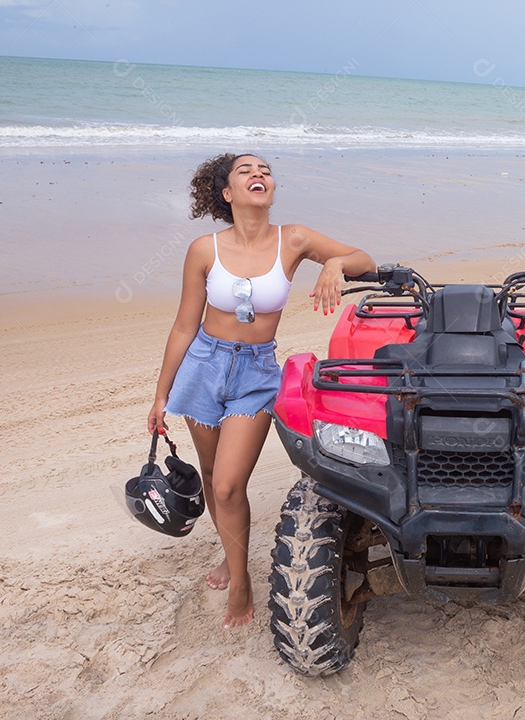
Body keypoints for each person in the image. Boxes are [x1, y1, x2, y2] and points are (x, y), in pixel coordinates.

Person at [147, 153, 375, 629]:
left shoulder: (291, 239)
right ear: (227, 194)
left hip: (255, 374)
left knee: (229, 483)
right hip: (204, 366)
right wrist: (160, 395)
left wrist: (333, 263)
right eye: (245, 171)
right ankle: (231, 560)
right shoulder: (203, 249)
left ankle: (243, 585)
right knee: (211, 476)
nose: (258, 174)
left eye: (265, 170)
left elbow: (366, 262)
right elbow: (185, 324)